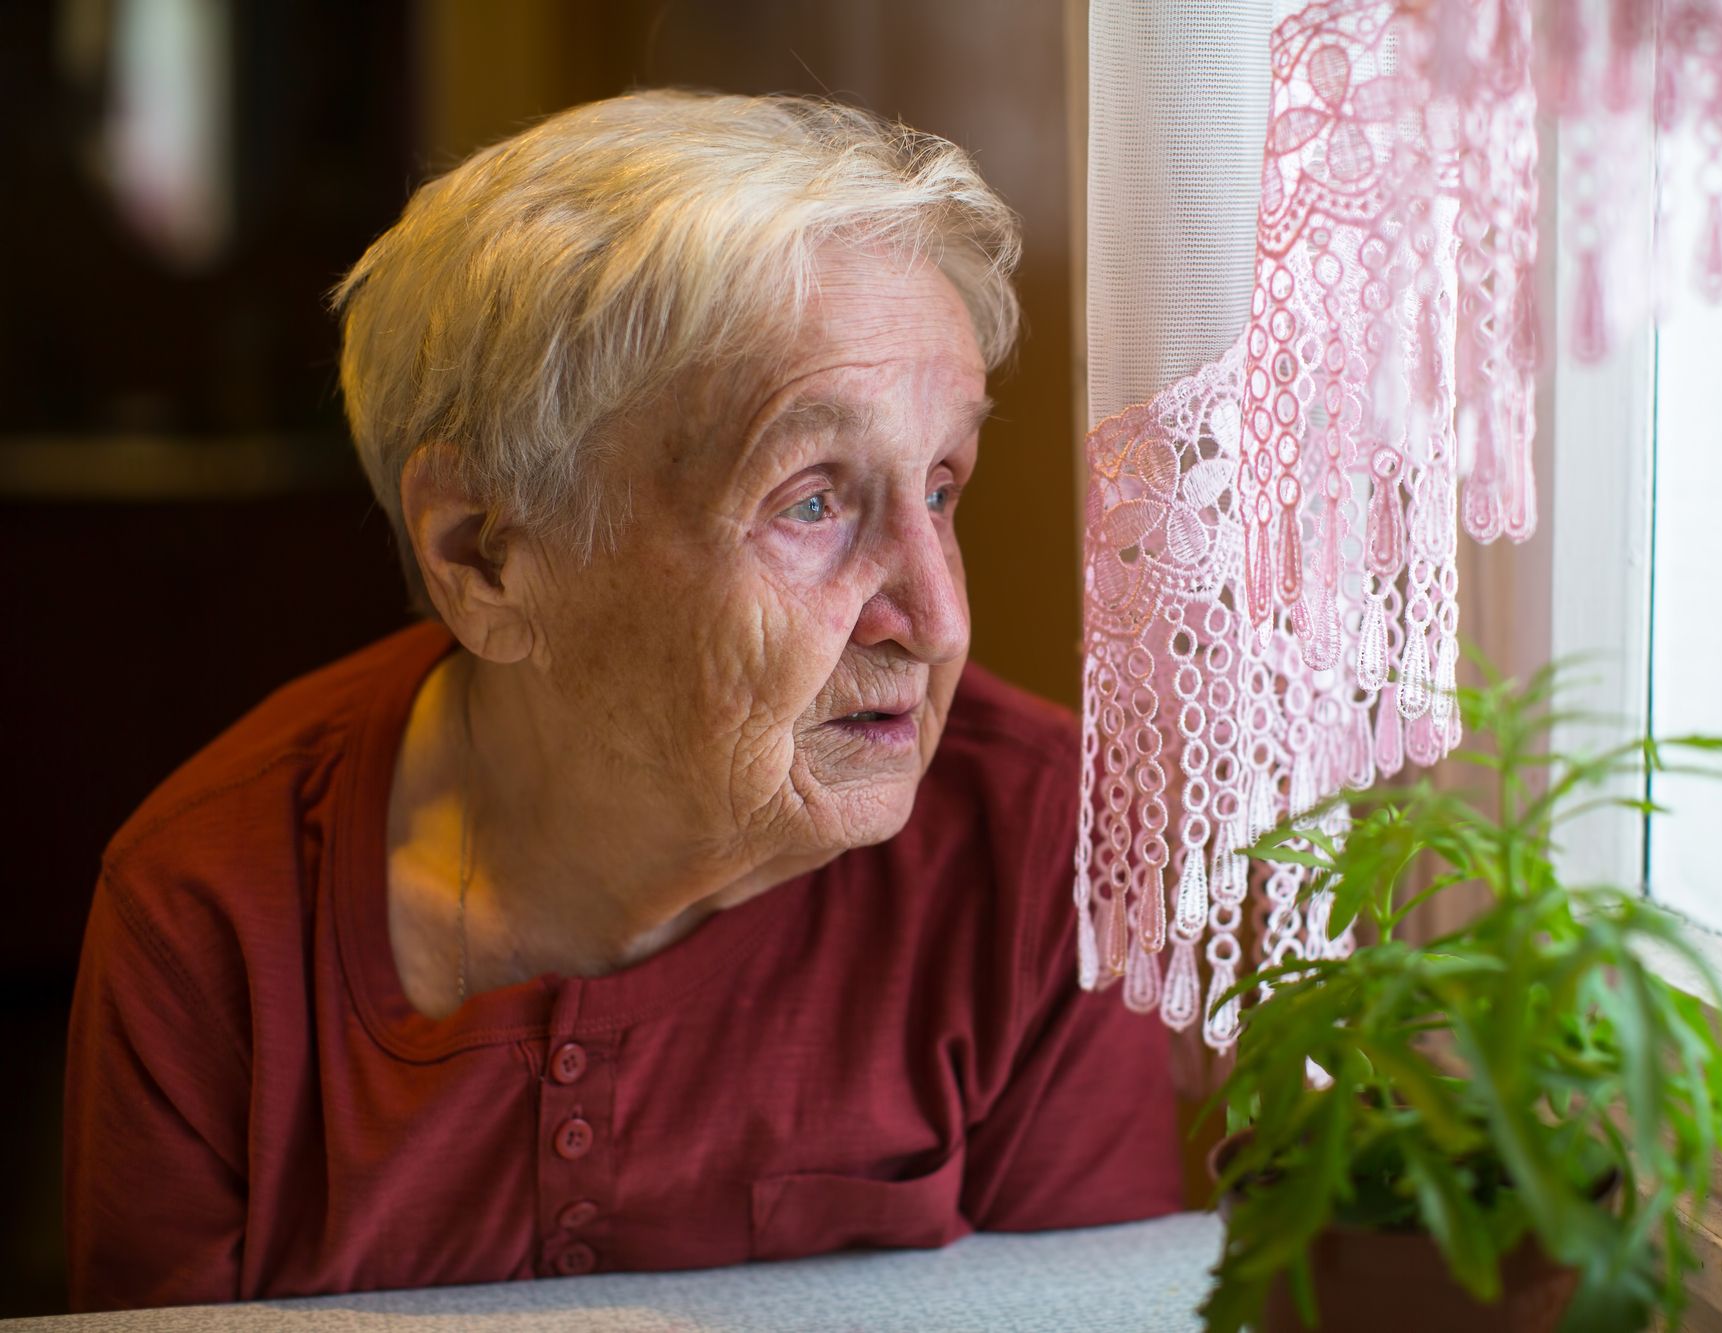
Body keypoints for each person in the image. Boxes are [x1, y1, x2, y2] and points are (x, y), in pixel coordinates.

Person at [63, 90, 1180, 1311]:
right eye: (810, 501)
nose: (937, 618)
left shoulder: (1045, 851)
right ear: (485, 556)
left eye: (941, 487)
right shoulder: (215, 911)